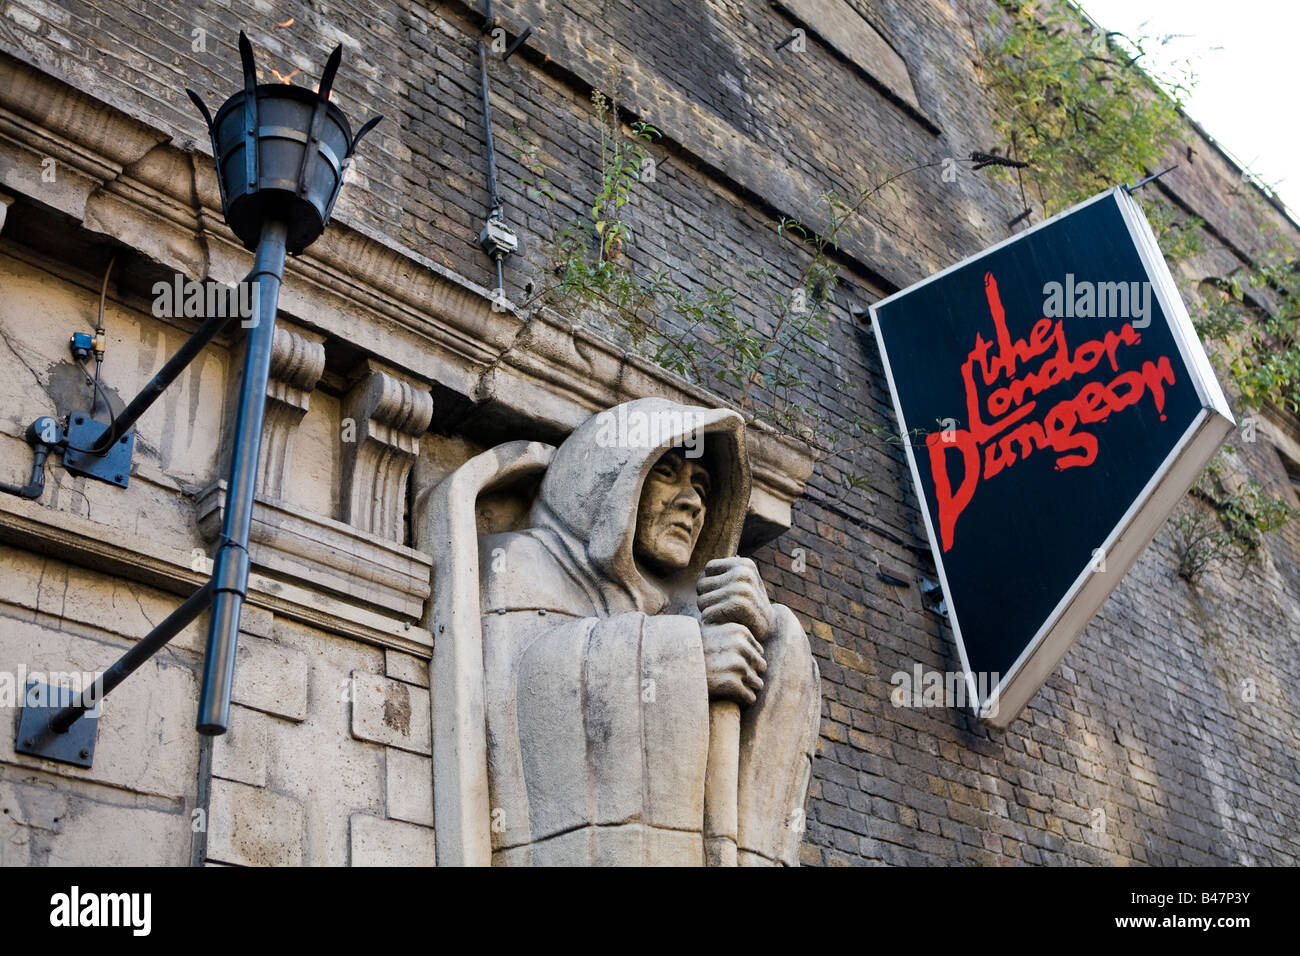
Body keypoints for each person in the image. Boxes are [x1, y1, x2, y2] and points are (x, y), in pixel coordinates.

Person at [476, 398, 820, 865]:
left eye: (701, 485)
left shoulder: (676, 611)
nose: (693, 501)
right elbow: (511, 699)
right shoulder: (520, 562)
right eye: (668, 472)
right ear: (610, 477)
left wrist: (768, 641)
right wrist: (684, 660)